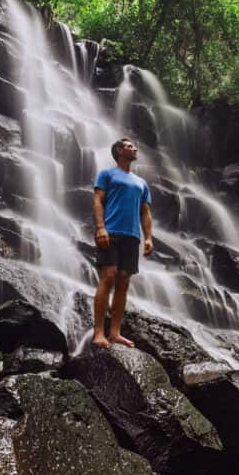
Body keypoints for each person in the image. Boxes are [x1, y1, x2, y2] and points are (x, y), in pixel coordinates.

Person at [92, 138, 153, 349]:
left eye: (134, 146)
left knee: (124, 281)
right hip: (111, 232)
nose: (135, 148)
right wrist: (100, 227)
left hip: (132, 236)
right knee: (108, 277)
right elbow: (98, 200)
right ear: (119, 151)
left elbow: (145, 212)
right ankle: (99, 332)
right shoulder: (107, 174)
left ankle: (115, 332)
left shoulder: (141, 182)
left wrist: (149, 237)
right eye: (129, 146)